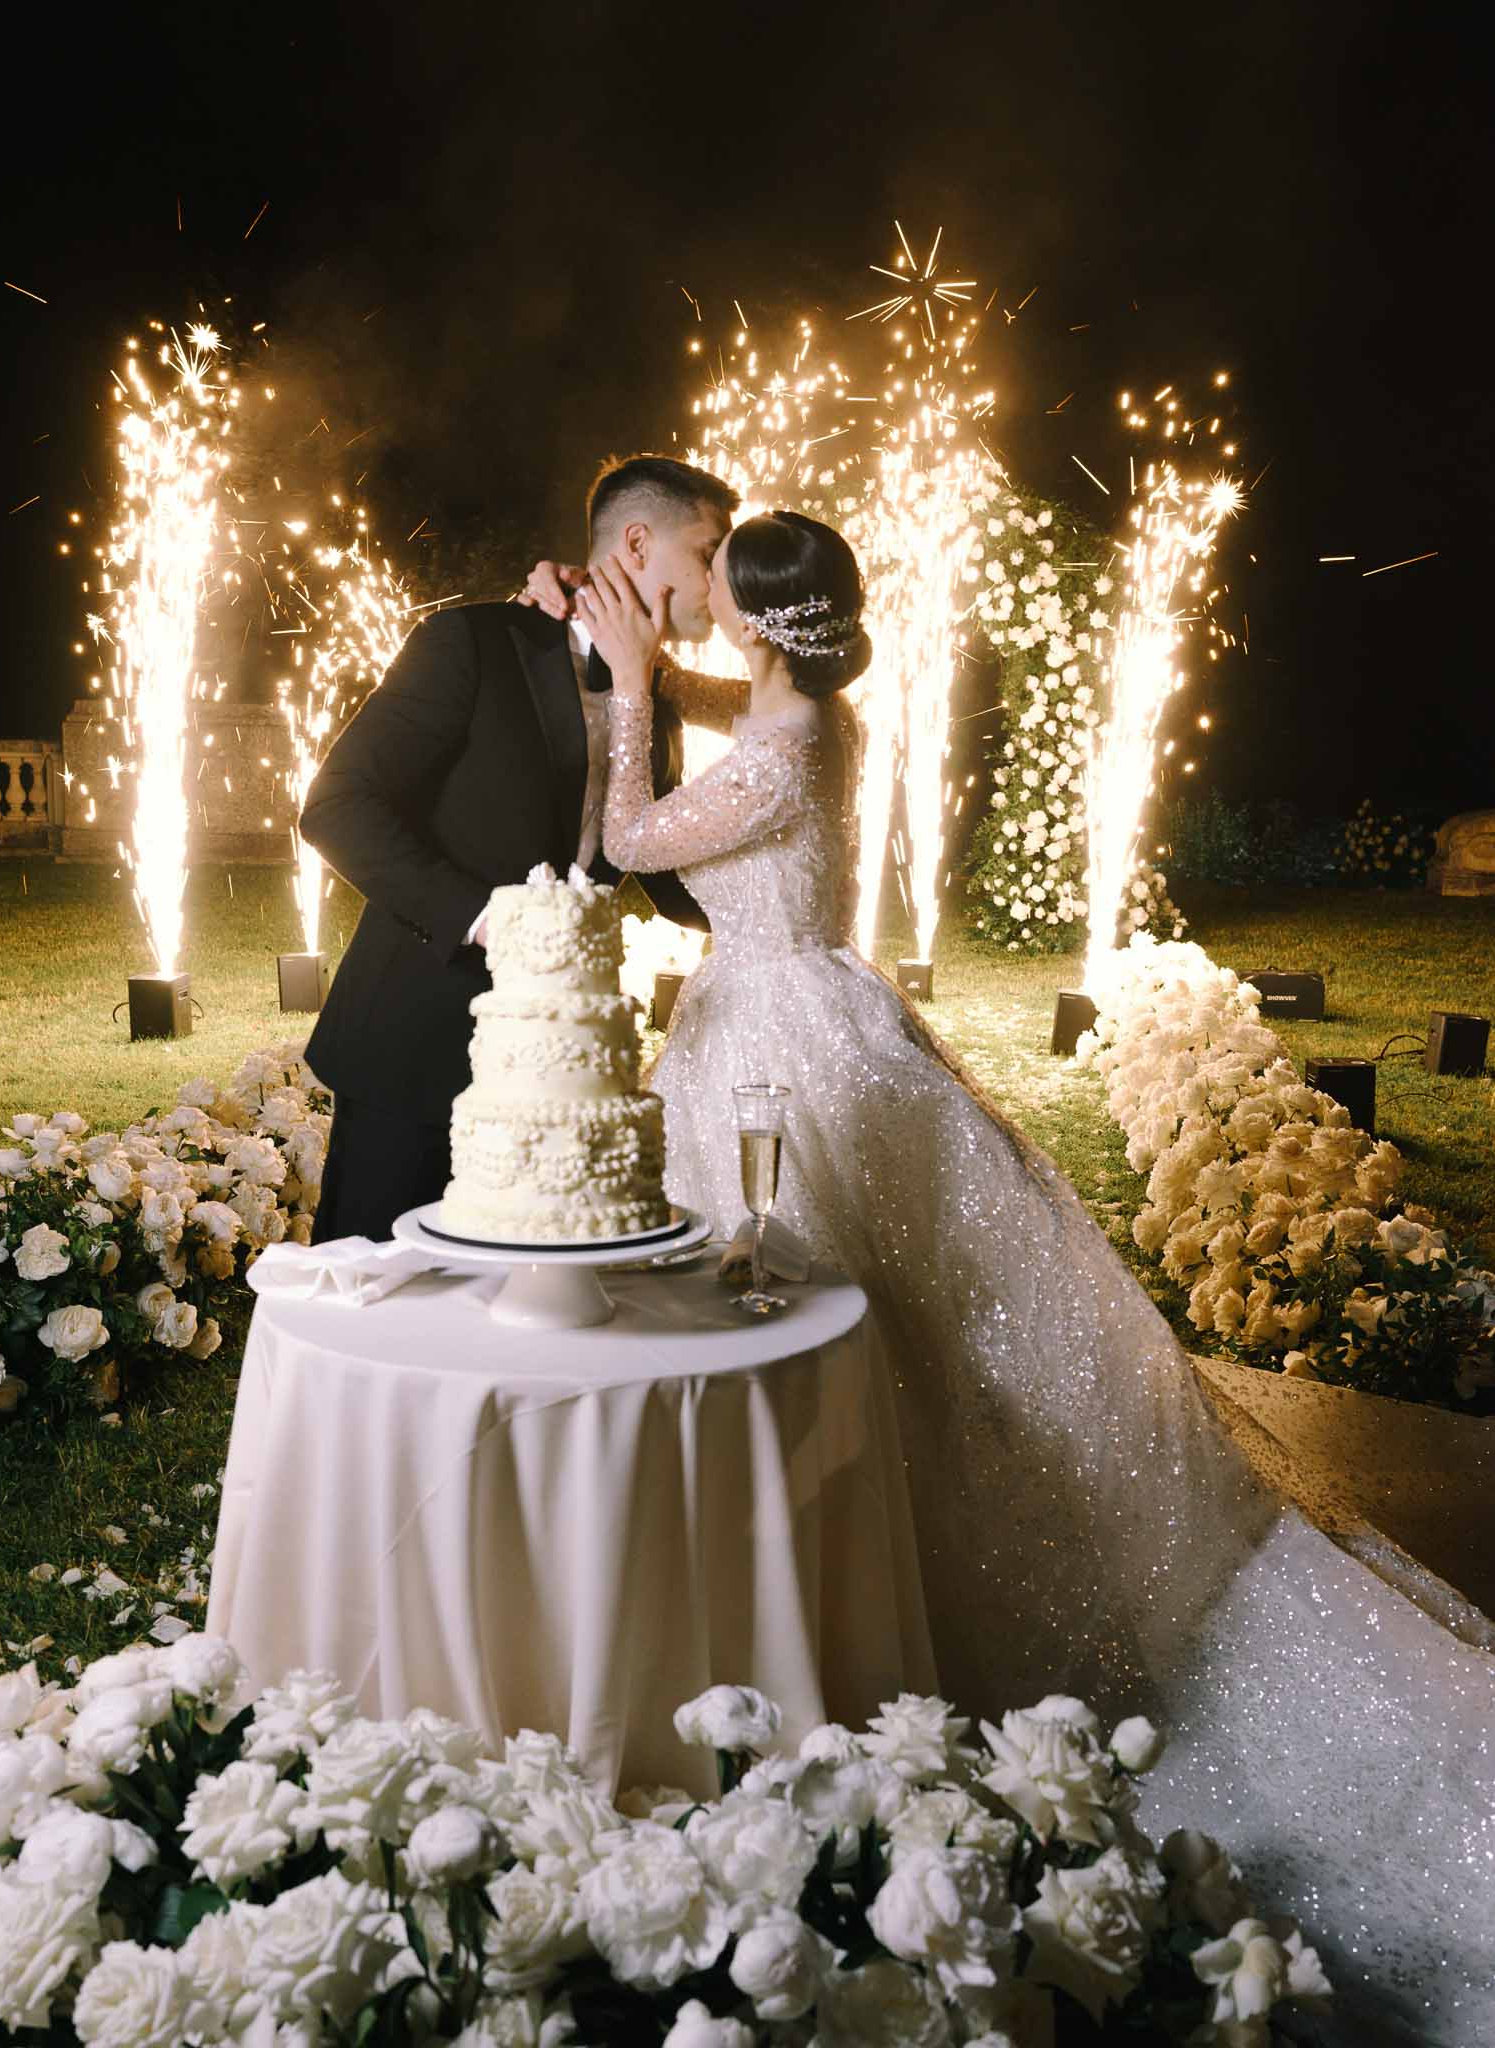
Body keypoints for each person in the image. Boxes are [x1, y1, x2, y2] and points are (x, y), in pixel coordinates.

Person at [530, 513, 1495, 2045]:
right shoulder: (800, 707)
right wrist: (630, 655)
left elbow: (628, 837)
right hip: (799, 1020)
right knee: (899, 1331)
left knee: (848, 1328)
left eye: (713, 581)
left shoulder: (776, 745)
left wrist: (629, 686)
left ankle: (878, 1599)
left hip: (783, 1060)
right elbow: (723, 705)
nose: (695, 592)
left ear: (761, 622)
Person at [294, 455, 734, 1241]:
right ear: (637, 542)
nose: (720, 573)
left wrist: (775, 922)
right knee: (375, 1294)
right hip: (418, 1043)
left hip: (558, 1076)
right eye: (708, 550)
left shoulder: (652, 696)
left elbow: (649, 861)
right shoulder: (472, 643)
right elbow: (337, 806)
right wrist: (487, 917)